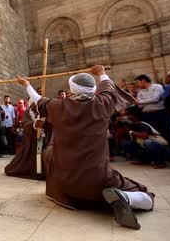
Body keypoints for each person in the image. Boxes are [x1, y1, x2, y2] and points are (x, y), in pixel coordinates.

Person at [17, 65, 155, 230]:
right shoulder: (103, 104)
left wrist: (26, 85)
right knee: (147, 197)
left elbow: (37, 99)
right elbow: (109, 89)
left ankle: (75, 195)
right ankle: (123, 197)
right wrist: (102, 73)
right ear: (93, 89)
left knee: (49, 153)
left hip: (66, 183)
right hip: (99, 180)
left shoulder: (57, 107)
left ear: (71, 89)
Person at [134, 74, 169, 140]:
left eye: (137, 82)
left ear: (143, 81)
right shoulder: (140, 92)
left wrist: (142, 101)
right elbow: (139, 106)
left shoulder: (157, 87)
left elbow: (156, 99)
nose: (136, 84)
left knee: (164, 133)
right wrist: (149, 100)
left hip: (159, 114)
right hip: (147, 115)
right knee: (152, 135)